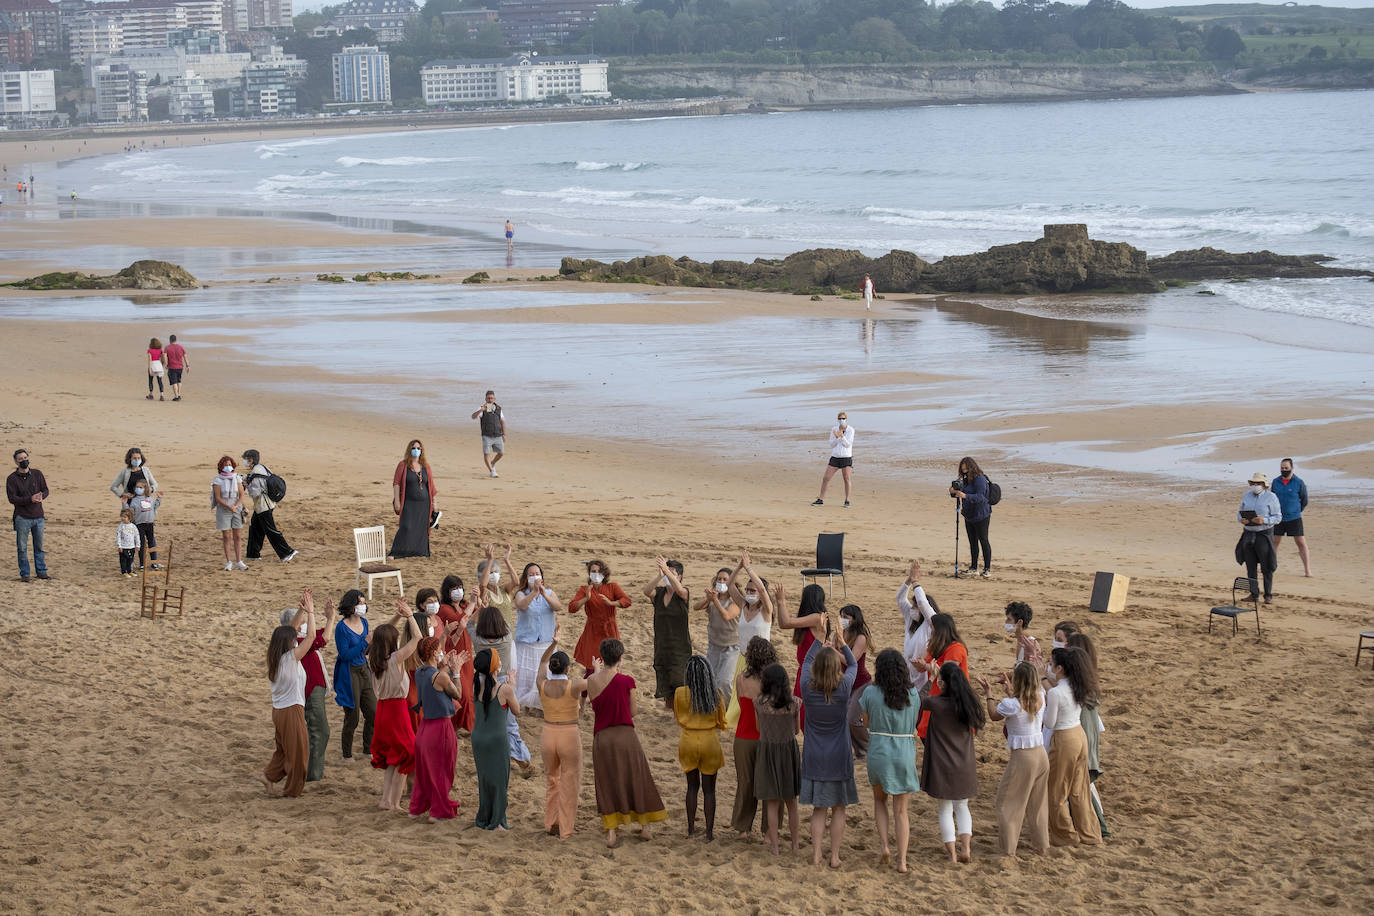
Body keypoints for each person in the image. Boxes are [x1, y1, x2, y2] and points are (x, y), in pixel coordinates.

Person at [588, 638, 668, 847]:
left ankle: (612, 832)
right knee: (637, 778)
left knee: (607, 782)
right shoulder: (627, 681)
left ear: (602, 658)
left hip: (603, 738)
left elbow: (593, 701)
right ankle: (644, 827)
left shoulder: (592, 681)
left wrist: (596, 671)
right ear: (621, 658)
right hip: (626, 736)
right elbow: (633, 711)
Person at [800, 629, 859, 868]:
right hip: (839, 753)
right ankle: (834, 857)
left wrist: (817, 642)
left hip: (815, 753)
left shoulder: (807, 686)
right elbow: (853, 664)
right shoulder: (844, 687)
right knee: (839, 808)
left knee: (819, 808)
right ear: (836, 667)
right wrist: (843, 645)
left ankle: (816, 855)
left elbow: (806, 660)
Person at [859, 648, 921, 873]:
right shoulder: (913, 695)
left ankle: (885, 845)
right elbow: (913, 722)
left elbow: (865, 723)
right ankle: (902, 861)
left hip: (879, 751)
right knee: (902, 811)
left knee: (879, 801)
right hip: (904, 752)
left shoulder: (870, 693)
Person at [978, 662, 1049, 857]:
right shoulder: (1040, 696)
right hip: (1041, 754)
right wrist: (1010, 691)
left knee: (1006, 802)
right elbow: (1022, 705)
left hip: (1023, 757)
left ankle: (1008, 850)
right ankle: (1041, 846)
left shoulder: (1012, 704)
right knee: (1038, 802)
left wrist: (989, 694)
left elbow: (994, 715)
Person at [920, 661, 985, 863]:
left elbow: (919, 698)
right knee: (962, 807)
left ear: (944, 682)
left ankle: (953, 854)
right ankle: (966, 848)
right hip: (964, 765)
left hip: (942, 766)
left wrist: (932, 679)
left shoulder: (936, 704)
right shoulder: (969, 705)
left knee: (945, 809)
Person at [1043, 646, 1103, 847]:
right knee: (1080, 789)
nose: (1049, 667)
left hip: (1064, 739)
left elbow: (1050, 723)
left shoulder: (1056, 693)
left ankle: (1065, 835)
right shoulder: (1078, 684)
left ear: (1059, 669)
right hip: (1079, 736)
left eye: (1051, 665)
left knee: (1057, 790)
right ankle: (1090, 834)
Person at [368, 601, 423, 810]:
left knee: (393, 757)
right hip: (397, 709)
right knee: (406, 754)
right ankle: (394, 802)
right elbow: (418, 638)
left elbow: (376, 635)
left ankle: (385, 800)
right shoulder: (395, 658)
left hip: (382, 709)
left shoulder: (372, 660)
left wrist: (397, 617)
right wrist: (409, 616)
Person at [261, 597, 317, 798]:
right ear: (288, 642)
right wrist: (310, 613)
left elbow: (291, 630)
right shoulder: (291, 657)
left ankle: (269, 776)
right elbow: (310, 637)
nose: (296, 639)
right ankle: (292, 791)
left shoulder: (277, 656)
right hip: (291, 710)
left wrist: (301, 611)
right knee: (300, 752)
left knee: (283, 751)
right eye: (293, 639)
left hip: (279, 711)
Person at [536, 626, 587, 839]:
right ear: (567, 669)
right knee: (570, 782)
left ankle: (551, 822)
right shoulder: (574, 686)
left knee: (552, 781)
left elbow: (542, 663)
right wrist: (596, 667)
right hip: (568, 734)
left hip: (548, 734)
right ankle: (566, 828)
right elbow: (596, 682)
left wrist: (553, 643)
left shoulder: (542, 683)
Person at [472, 603, 534, 778]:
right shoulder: (506, 638)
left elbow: (469, 624)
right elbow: (506, 624)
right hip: (503, 682)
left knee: (486, 722)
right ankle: (520, 755)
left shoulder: (477, 640)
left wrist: (480, 610)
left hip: (481, 682)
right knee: (509, 724)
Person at [409, 636, 466, 821]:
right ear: (435, 653)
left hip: (424, 728)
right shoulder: (440, 676)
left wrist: (446, 666)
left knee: (424, 773)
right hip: (440, 729)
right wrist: (456, 672)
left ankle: (417, 808)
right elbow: (457, 694)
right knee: (442, 770)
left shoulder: (419, 672)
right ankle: (437, 811)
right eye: (439, 649)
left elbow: (435, 678)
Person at [730, 635, 778, 839]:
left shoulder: (741, 678)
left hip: (743, 735)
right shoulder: (772, 681)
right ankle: (769, 830)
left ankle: (743, 828)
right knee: (770, 785)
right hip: (765, 736)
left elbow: (742, 706)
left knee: (745, 783)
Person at [675, 655, 726, 840]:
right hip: (710, 742)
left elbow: (678, 715)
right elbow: (722, 721)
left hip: (688, 740)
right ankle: (709, 833)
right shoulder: (715, 695)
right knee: (710, 790)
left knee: (691, 788)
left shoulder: (680, 693)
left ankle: (690, 830)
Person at [753, 662, 801, 855]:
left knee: (771, 803)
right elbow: (797, 730)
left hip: (767, 752)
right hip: (788, 752)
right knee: (792, 803)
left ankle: (774, 846)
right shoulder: (794, 704)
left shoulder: (759, 703)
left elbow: (758, 729)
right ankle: (795, 844)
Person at [287, 588, 333, 782]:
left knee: (316, 731)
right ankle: (313, 774)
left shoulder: (301, 641)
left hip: (314, 688)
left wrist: (330, 618)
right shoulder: (295, 642)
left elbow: (325, 636)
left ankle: (312, 771)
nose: (307, 625)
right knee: (319, 730)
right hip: (310, 689)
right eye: (304, 623)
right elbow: (320, 638)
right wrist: (308, 612)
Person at [1067, 631, 1110, 839]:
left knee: (1083, 783)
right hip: (1087, 733)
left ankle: (1099, 826)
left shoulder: (1080, 685)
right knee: (1083, 782)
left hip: (1081, 733)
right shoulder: (1088, 680)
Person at [472, 647, 520, 830]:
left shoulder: (475, 685)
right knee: (500, 782)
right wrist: (512, 686)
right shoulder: (504, 689)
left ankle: (485, 816)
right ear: (494, 667)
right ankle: (498, 821)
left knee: (484, 781)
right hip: (497, 740)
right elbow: (517, 711)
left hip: (478, 740)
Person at [724, 552, 772, 729]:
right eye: (748, 590)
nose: (750, 593)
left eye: (753, 591)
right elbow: (729, 585)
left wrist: (750, 568)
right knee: (741, 692)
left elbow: (764, 590)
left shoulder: (766, 610)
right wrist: (739, 567)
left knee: (760, 692)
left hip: (763, 660)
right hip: (743, 657)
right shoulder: (743, 604)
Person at [333, 590, 378, 763]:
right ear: (351, 606)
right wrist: (364, 642)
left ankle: (367, 749)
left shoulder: (365, 622)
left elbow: (364, 651)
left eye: (364, 603)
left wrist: (370, 645)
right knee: (352, 717)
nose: (363, 606)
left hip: (364, 670)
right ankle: (347, 755)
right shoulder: (342, 627)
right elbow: (344, 654)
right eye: (360, 603)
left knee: (373, 712)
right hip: (348, 672)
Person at [776, 582, 827, 730]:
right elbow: (782, 624)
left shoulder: (817, 617)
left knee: (806, 716)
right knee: (800, 714)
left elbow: (786, 622)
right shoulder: (810, 619)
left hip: (813, 672)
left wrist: (781, 601)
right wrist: (780, 604)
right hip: (803, 671)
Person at [513, 561, 562, 712]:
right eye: (531, 574)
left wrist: (543, 594)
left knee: (544, 673)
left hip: (545, 642)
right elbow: (521, 606)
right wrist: (534, 592)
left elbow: (557, 607)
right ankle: (526, 704)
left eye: (537, 574)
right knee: (526, 676)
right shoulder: (521, 594)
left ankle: (542, 704)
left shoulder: (549, 592)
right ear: (526, 578)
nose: (535, 576)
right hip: (526, 642)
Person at [569, 558, 632, 674]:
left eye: (599, 571)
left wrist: (612, 603)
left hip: (610, 629)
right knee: (592, 666)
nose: (596, 574)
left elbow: (627, 601)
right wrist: (586, 598)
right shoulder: (584, 589)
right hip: (592, 630)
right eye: (593, 571)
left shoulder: (612, 587)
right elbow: (572, 608)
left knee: (612, 665)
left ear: (604, 573)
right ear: (589, 573)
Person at [644, 556, 692, 710]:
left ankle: (682, 712)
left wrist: (666, 570)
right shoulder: (659, 593)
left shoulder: (683, 593)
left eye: (671, 573)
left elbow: (679, 590)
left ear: (680, 576)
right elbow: (646, 591)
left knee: (680, 681)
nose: (667, 576)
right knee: (665, 683)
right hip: (662, 646)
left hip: (679, 647)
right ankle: (671, 710)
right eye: (666, 572)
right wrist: (660, 575)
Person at [915, 614, 968, 740]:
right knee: (926, 731)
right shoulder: (935, 647)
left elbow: (947, 672)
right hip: (934, 693)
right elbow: (924, 667)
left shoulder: (956, 648)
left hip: (950, 697)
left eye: (932, 627)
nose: (931, 631)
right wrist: (920, 665)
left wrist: (926, 666)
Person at [436, 574, 477, 734]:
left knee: (468, 693)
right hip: (453, 654)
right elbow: (459, 621)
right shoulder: (443, 608)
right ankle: (455, 725)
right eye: (454, 589)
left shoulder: (464, 604)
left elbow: (475, 615)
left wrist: (480, 601)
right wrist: (473, 603)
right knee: (461, 693)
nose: (458, 591)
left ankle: (465, 726)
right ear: (447, 592)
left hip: (466, 653)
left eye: (460, 587)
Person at [243, 449, 297, 564]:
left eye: (245, 459)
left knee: (270, 530)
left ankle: (287, 552)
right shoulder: (262, 468)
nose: (244, 462)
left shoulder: (256, 473)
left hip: (263, 506)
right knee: (255, 528)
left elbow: (255, 492)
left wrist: (246, 486)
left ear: (251, 460)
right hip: (264, 505)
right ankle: (253, 554)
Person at [1236, 471, 1282, 604]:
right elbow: (1239, 514)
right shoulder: (1246, 496)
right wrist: (1242, 520)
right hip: (1248, 533)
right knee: (1250, 565)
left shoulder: (1271, 497)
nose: (1255, 485)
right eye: (1254, 483)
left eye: (1258, 483)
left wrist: (1264, 520)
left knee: (1266, 565)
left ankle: (1268, 595)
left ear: (1264, 485)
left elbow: (1278, 517)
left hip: (1263, 534)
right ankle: (1253, 594)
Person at [697, 567, 740, 706]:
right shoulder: (712, 598)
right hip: (714, 645)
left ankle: (727, 709)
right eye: (719, 579)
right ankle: (714, 707)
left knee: (725, 681)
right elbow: (696, 608)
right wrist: (708, 599)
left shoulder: (736, 601)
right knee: (711, 679)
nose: (721, 582)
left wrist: (714, 600)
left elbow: (727, 616)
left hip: (731, 647)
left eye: (725, 579)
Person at [391, 439, 437, 559]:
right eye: (413, 448)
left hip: (424, 504)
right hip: (408, 503)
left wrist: (434, 503)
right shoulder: (403, 465)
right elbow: (396, 483)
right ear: (409, 450)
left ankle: (420, 551)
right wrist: (397, 500)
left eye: (418, 448)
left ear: (421, 451)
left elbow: (431, 486)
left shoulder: (426, 467)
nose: (416, 450)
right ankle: (396, 552)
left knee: (421, 527)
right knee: (406, 526)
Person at [9, 448, 50, 582]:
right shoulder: (12, 479)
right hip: (22, 518)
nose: (23, 461)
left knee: (39, 546)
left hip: (38, 517)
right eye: (20, 459)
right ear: (16, 461)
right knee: (22, 547)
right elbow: (12, 499)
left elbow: (45, 490)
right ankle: (25, 574)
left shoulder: (37, 474)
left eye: (25, 458)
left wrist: (41, 496)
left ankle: (41, 572)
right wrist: (30, 499)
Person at [950, 455, 993, 578]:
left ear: (971, 467)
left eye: (966, 470)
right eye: (963, 470)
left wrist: (965, 496)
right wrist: (954, 492)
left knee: (983, 540)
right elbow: (960, 494)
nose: (964, 472)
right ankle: (974, 567)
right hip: (969, 515)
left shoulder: (980, 479)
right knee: (972, 542)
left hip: (981, 515)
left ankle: (987, 569)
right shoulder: (965, 480)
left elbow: (981, 497)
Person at [897, 561, 937, 691]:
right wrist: (909, 580)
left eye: (916, 607)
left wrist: (916, 582)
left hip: (923, 678)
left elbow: (922, 602)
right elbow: (900, 598)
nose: (913, 608)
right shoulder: (910, 619)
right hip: (907, 675)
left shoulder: (930, 623)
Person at [839, 604, 872, 759]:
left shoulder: (861, 637)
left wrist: (832, 649)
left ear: (854, 618)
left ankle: (868, 747)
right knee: (843, 718)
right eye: (841, 616)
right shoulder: (841, 633)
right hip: (845, 682)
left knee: (853, 719)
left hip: (861, 683)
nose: (842, 620)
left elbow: (849, 660)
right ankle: (855, 749)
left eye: (846, 617)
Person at [1272, 458, 1311, 577]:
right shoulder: (1275, 481)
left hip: (1294, 517)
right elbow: (1271, 498)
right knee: (1274, 542)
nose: (1284, 470)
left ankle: (1307, 570)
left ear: (1292, 468)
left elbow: (1304, 500)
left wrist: (1296, 511)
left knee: (1301, 542)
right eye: (1282, 468)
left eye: (1286, 468)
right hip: (1278, 517)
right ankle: (1270, 566)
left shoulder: (1299, 482)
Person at [211, 456, 247, 571]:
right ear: (221, 466)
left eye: (229, 464)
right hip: (224, 509)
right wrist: (228, 506)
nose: (228, 467)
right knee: (226, 536)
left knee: (237, 536)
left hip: (236, 508)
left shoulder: (237, 478)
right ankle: (228, 562)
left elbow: (241, 494)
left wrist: (236, 506)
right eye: (225, 465)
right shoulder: (218, 480)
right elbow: (217, 497)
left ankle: (239, 561)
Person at [811, 411, 854, 508]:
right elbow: (831, 444)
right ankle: (820, 499)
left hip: (846, 457)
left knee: (846, 478)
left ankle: (847, 500)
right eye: (839, 419)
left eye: (843, 418)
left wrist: (841, 435)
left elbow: (847, 444)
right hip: (835, 457)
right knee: (826, 478)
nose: (841, 420)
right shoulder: (834, 429)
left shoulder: (850, 430)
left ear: (846, 419)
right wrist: (837, 437)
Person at [470, 390, 507, 478]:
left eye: (492, 398)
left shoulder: (498, 408)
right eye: (488, 398)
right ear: (485, 399)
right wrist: (481, 410)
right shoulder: (481, 408)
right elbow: (473, 417)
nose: (490, 400)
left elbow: (502, 421)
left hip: (497, 434)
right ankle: (492, 471)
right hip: (486, 435)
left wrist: (504, 434)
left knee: (501, 453)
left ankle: (493, 463)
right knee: (487, 453)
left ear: (494, 399)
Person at [128, 480, 162, 570]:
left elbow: (154, 507)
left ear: (145, 488)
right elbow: (131, 512)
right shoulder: (134, 500)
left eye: (140, 487)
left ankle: (154, 563)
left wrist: (159, 499)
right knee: (141, 544)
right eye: (137, 487)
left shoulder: (149, 498)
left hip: (150, 524)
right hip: (139, 524)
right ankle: (142, 564)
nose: (138, 489)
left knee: (152, 543)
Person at [163, 335, 188, 401]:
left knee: (174, 382)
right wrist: (187, 365)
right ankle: (179, 394)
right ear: (176, 340)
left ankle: (176, 396)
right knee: (179, 380)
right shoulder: (181, 347)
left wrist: (166, 364)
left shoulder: (167, 348)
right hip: (180, 367)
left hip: (172, 367)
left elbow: (165, 356)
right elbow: (185, 357)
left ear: (170, 340)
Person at [116, 507, 139, 577]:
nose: (123, 518)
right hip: (123, 547)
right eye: (122, 516)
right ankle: (124, 572)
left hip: (131, 546)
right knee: (123, 560)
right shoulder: (120, 526)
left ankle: (129, 571)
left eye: (124, 517)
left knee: (130, 559)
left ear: (130, 518)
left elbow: (137, 536)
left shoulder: (133, 526)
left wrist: (138, 545)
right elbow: (118, 537)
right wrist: (119, 546)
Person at [145, 337, 166, 401]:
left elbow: (150, 361)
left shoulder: (149, 351)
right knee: (160, 381)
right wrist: (162, 366)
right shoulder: (160, 351)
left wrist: (150, 369)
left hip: (153, 365)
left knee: (151, 380)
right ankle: (161, 395)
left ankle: (151, 394)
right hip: (158, 365)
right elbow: (163, 360)